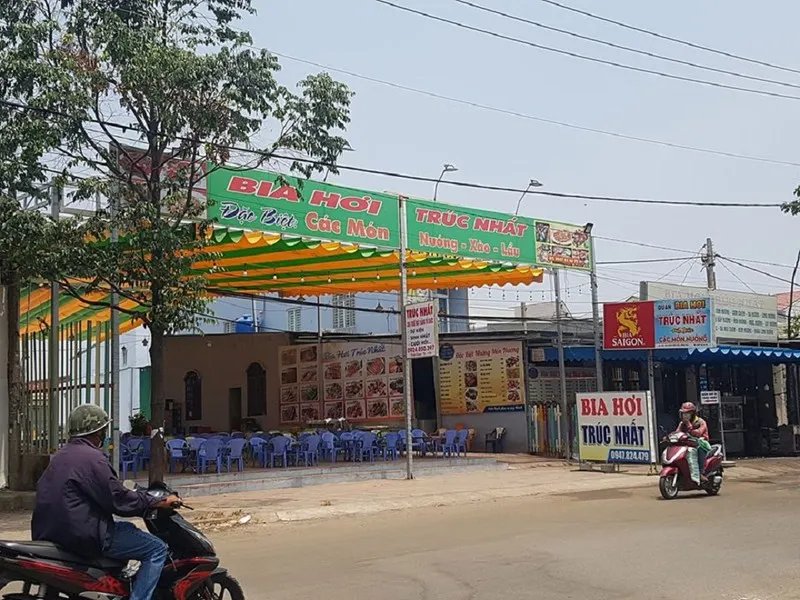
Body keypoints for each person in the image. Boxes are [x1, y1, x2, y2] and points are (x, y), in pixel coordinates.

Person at [32, 405, 180, 600]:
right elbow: (118, 500)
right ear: (98, 433)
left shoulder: (60, 456)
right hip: (82, 535)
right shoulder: (93, 459)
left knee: (127, 528)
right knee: (157, 548)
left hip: (50, 532)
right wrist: (157, 501)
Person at [674, 401, 710, 482]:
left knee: (700, 449)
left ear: (693, 413)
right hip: (688, 443)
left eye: (687, 413)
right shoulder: (682, 423)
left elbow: (698, 433)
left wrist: (689, 425)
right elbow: (677, 432)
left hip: (702, 443)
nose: (685, 415)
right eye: (683, 413)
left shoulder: (701, 422)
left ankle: (700, 472)